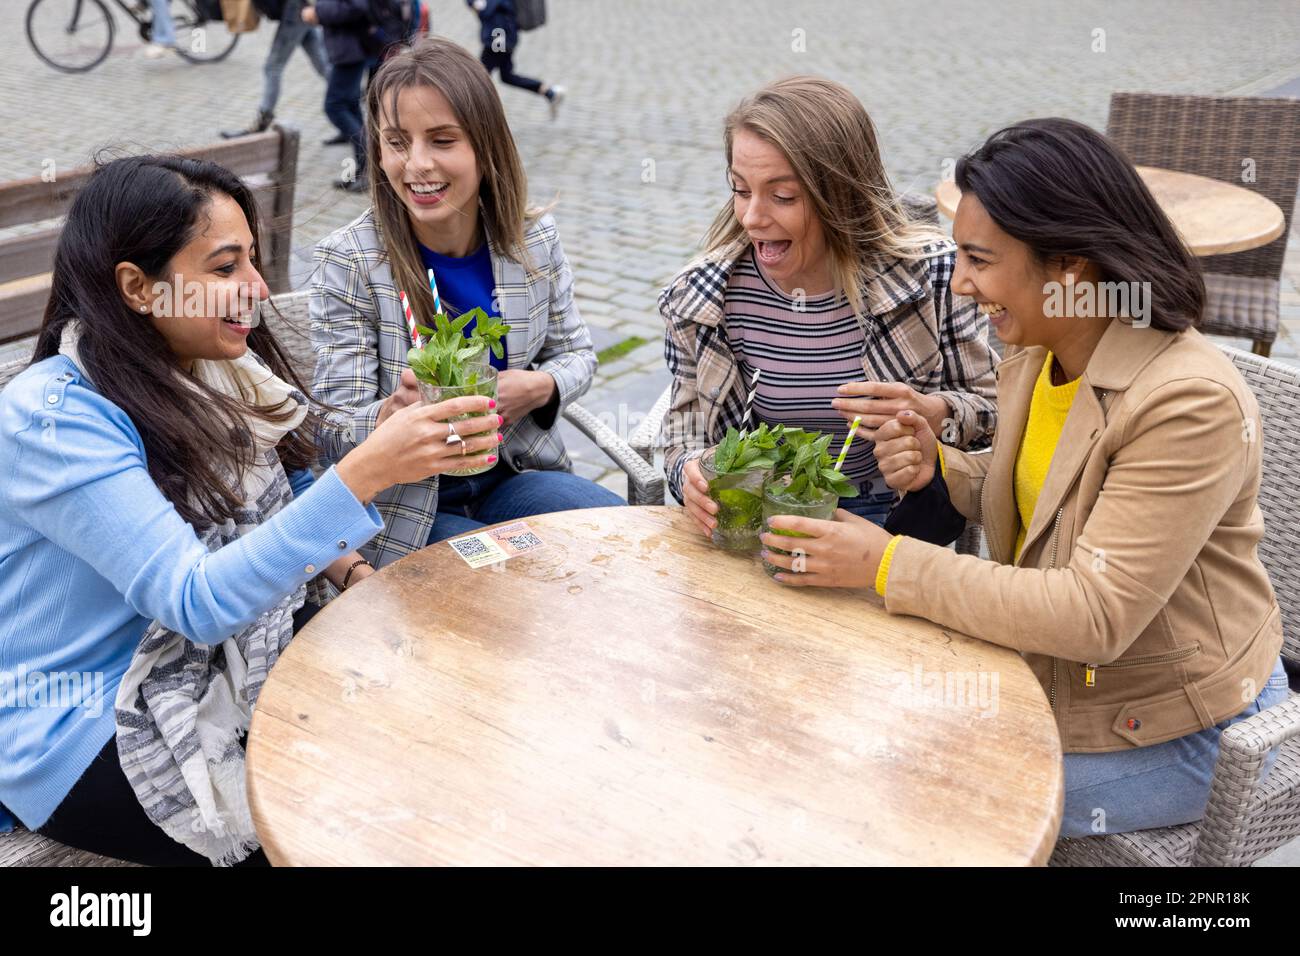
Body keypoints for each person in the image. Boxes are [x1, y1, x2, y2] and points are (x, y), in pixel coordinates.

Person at [759, 118, 1289, 838]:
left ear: (1069, 265)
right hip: (1049, 681)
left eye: (979, 260)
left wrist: (883, 562)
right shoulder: (1042, 351)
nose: (965, 283)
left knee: (896, 797)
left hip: (1179, 728)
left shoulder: (1186, 403)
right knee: (830, 715)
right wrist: (940, 467)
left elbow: (1093, 615)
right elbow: (1045, 499)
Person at [0, 154, 500, 865]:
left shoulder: (206, 366)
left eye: (255, 263)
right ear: (138, 288)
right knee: (344, 825)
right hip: (78, 728)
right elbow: (193, 601)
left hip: (216, 667)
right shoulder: (51, 420)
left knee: (436, 733)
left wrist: (355, 573)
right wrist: (363, 475)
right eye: (226, 268)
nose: (258, 291)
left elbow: (272, 493)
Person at [311, 36, 621, 567]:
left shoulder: (532, 243)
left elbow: (578, 354)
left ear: (485, 145)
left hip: (516, 475)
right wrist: (392, 413)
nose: (417, 164)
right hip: (409, 508)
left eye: (442, 139)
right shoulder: (352, 262)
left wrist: (538, 387)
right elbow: (331, 429)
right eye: (397, 141)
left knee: (615, 544)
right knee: (495, 586)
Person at [661, 75, 998, 537]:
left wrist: (936, 411)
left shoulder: (936, 277)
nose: (753, 217)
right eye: (741, 189)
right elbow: (684, 432)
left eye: (783, 196)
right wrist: (691, 474)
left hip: (894, 525)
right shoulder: (702, 299)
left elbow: (995, 412)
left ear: (841, 195)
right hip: (765, 520)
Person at [221, 0, 331, 140]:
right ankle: (349, 108)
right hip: (301, 7)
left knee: (272, 67)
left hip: (297, 9)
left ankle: (262, 121)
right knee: (322, 64)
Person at [303, 0, 377, 191]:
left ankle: (369, 166)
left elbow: (356, 6)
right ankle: (363, 169)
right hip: (350, 46)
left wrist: (318, 11)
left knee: (335, 106)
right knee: (350, 105)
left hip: (352, 48)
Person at [467, 0, 564, 120]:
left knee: (478, 76)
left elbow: (485, 11)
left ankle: (474, 115)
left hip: (499, 38)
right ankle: (549, 92)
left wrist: (475, 4)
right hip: (504, 36)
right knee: (507, 76)